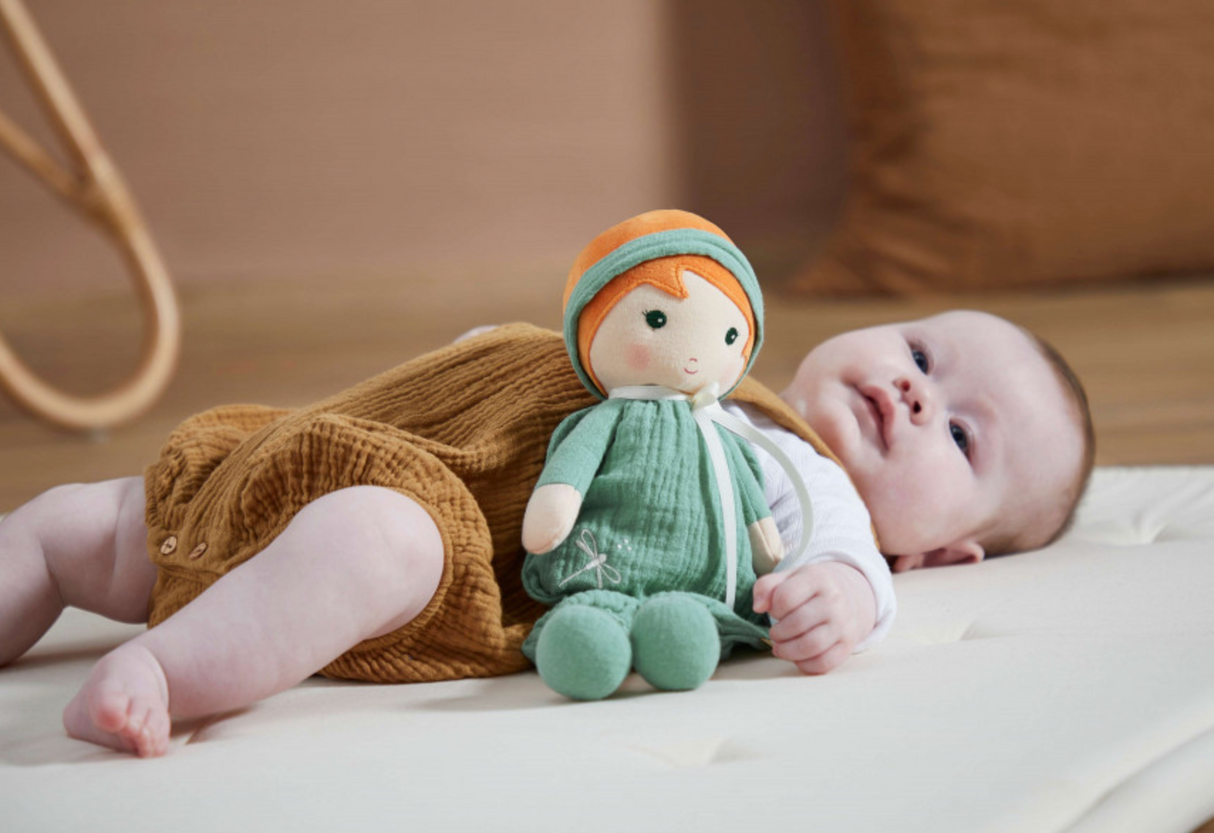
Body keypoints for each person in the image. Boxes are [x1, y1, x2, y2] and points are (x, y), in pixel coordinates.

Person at [0, 211, 1094, 757]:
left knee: (379, 539)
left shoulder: (808, 490)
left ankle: (160, 672)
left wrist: (843, 599)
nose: (911, 393)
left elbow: (851, 571)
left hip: (424, 541)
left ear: (944, 552)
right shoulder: (696, 357)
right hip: (302, 455)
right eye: (918, 351)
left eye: (957, 432)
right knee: (82, 524)